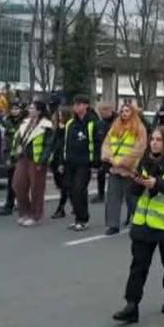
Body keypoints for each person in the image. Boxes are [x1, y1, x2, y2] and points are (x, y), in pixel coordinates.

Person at [112, 127, 164, 324]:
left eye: (158, 140)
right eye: (152, 139)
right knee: (138, 265)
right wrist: (137, 181)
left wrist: (156, 184)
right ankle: (132, 305)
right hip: (144, 222)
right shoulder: (145, 161)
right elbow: (134, 192)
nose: (154, 143)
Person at [102, 103, 148, 235]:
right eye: (122, 111)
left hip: (130, 169)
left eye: (127, 111)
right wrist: (109, 158)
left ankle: (139, 221)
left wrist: (123, 162)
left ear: (132, 113)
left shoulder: (139, 128)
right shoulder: (115, 127)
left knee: (132, 197)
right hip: (114, 168)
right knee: (112, 197)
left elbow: (139, 149)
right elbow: (107, 144)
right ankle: (113, 225)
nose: (124, 113)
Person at [59, 95, 101, 232]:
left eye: (79, 104)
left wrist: (96, 163)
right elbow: (64, 144)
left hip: (84, 163)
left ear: (86, 106)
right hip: (70, 162)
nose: (75, 107)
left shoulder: (93, 123)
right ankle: (78, 217)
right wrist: (62, 161)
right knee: (70, 190)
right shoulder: (70, 123)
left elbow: (97, 144)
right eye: (75, 104)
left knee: (79, 189)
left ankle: (83, 219)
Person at [11, 101, 54, 227]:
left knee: (37, 188)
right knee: (18, 185)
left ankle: (36, 215)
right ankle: (24, 213)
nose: (30, 110)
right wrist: (14, 153)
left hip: (37, 159)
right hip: (23, 157)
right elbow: (17, 139)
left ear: (39, 111)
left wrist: (43, 160)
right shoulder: (25, 123)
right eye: (30, 108)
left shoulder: (47, 125)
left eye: (33, 108)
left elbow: (48, 145)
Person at [0, 101, 25, 216]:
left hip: (22, 155)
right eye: (13, 109)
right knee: (11, 182)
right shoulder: (7, 122)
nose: (14, 111)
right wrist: (6, 156)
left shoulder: (25, 122)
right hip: (10, 154)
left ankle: (22, 203)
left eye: (17, 109)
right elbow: (5, 140)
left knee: (22, 182)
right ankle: (9, 204)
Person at [50, 106, 72, 219]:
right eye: (58, 115)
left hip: (63, 160)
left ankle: (61, 208)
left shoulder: (69, 127)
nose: (59, 117)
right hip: (55, 158)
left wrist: (62, 163)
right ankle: (74, 204)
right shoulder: (56, 127)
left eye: (61, 115)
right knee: (60, 184)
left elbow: (65, 145)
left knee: (65, 185)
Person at [94, 102, 116, 203]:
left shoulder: (119, 121)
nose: (100, 114)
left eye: (102, 112)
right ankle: (101, 194)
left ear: (108, 110)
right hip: (104, 153)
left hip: (117, 153)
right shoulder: (100, 123)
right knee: (101, 172)